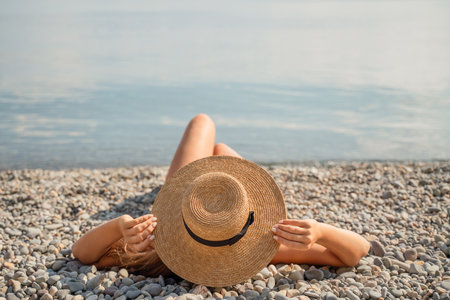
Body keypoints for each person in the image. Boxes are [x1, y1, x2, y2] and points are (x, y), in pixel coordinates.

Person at [72, 113, 370, 280]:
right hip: (208, 202)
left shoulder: (156, 247)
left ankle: (214, 179)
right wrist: (320, 231)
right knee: (222, 149)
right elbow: (357, 251)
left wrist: (118, 225)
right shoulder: (264, 244)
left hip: (187, 199)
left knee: (203, 123)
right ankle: (222, 177)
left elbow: (82, 254)